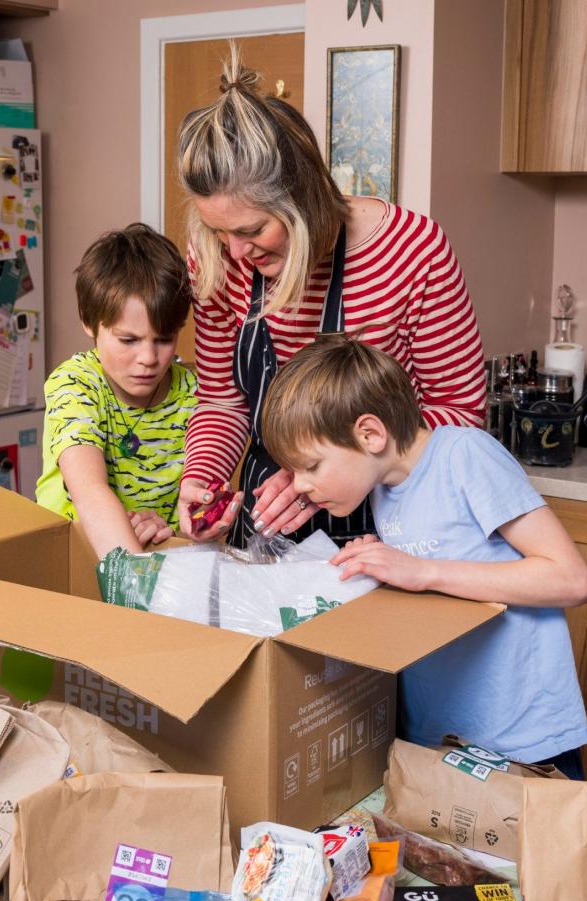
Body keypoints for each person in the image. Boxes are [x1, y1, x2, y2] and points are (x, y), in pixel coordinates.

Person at [175, 47, 485, 549]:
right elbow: (222, 400)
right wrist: (202, 480)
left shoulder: (411, 250)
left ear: (304, 197)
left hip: (392, 528)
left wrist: (329, 473)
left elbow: (461, 415)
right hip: (269, 517)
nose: (234, 250)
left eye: (253, 229)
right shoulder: (217, 256)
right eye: (217, 232)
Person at [260, 335, 587, 776]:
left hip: (524, 739)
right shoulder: (381, 486)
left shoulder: (465, 455)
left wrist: (423, 571)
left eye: (312, 466)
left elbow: (570, 579)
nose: (298, 485)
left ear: (370, 434)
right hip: (444, 737)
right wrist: (382, 571)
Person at [36, 223, 197, 557]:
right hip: (72, 560)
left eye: (164, 339)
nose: (149, 359)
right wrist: (134, 575)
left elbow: (194, 521)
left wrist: (178, 530)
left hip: (160, 565)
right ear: (88, 320)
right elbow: (90, 491)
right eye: (129, 340)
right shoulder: (75, 385)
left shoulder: (193, 394)